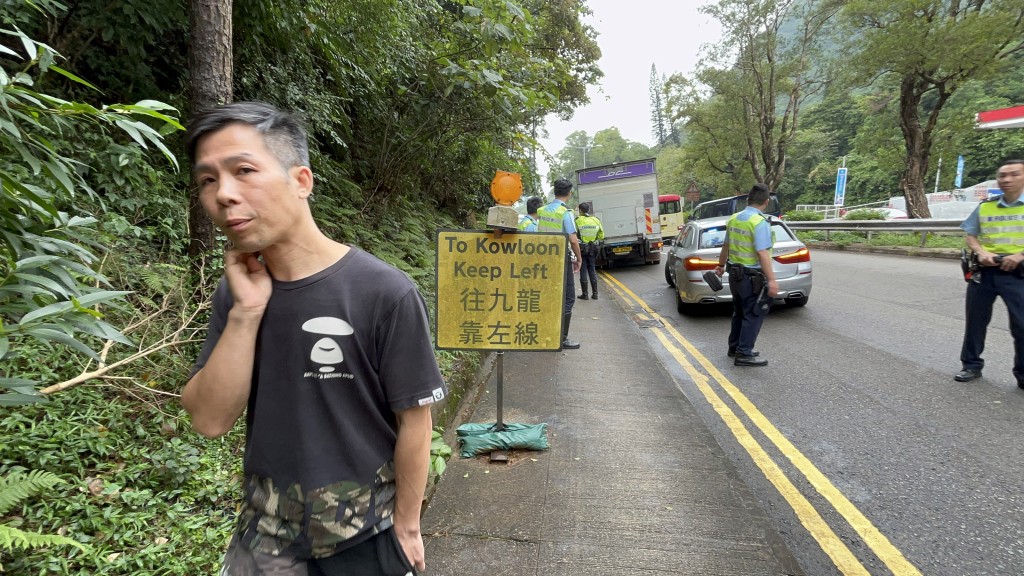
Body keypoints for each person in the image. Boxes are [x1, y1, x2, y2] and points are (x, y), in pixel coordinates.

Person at [180, 102, 446, 576]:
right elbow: (208, 420)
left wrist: (407, 527)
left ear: (301, 181)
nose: (224, 194)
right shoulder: (238, 293)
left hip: (365, 537)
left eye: (244, 170)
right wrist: (246, 312)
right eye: (207, 180)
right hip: (262, 540)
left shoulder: (384, 293)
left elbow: (415, 422)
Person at [955, 158, 1024, 387]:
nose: (1006, 179)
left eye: (1014, 174)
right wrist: (980, 251)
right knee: (975, 322)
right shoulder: (986, 205)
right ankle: (971, 366)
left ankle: (1022, 374)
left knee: (1021, 325)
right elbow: (970, 234)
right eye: (1002, 175)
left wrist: (1020, 256)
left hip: (1018, 274)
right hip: (985, 271)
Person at [714, 183, 778, 367]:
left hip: (735, 275)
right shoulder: (759, 221)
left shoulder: (734, 219)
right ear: (766, 202)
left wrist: (720, 265)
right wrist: (772, 279)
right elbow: (762, 253)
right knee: (754, 313)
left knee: (739, 312)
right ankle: (744, 353)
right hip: (751, 277)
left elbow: (725, 245)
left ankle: (735, 347)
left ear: (748, 200)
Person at [537, 179, 583, 349]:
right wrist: (579, 259)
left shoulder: (541, 211)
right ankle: (561, 339)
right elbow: (572, 239)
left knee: (549, 298)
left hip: (543, 260)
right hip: (560, 260)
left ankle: (546, 334)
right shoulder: (565, 212)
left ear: (555, 192)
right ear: (569, 193)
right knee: (568, 298)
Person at [574, 202, 604, 300]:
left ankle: (585, 294)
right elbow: (601, 236)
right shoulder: (596, 220)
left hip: (582, 249)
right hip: (593, 249)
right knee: (592, 269)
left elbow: (574, 234)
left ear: (580, 210)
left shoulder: (577, 220)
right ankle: (595, 294)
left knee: (583, 270)